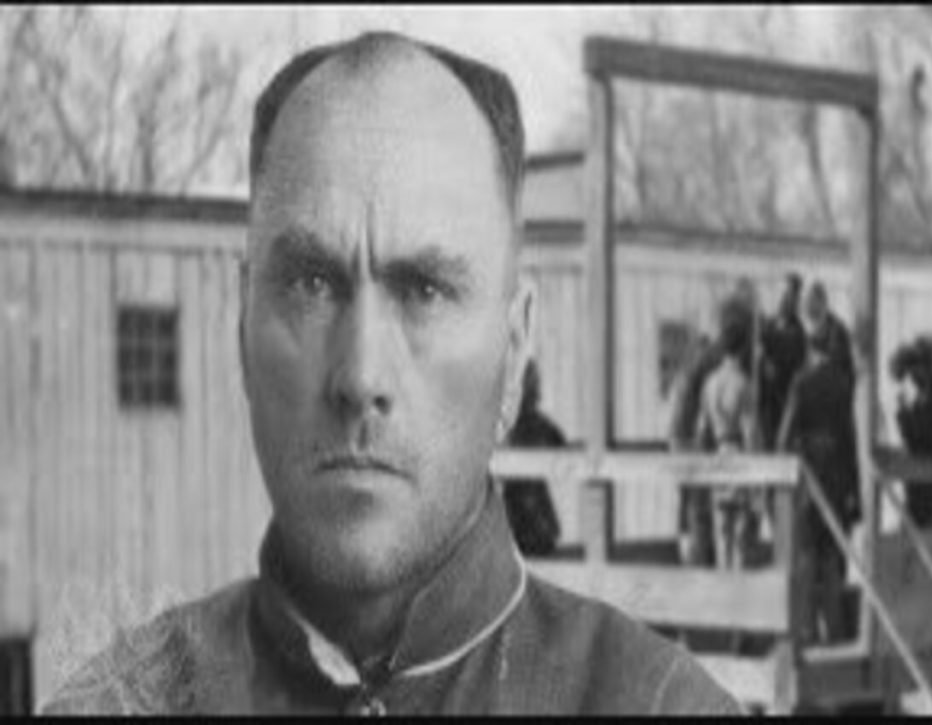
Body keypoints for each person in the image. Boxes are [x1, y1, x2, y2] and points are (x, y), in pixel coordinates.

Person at [41, 33, 740, 715]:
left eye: (425, 289)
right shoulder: (118, 703)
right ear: (241, 328)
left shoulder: (658, 703)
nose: (361, 374)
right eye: (312, 283)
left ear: (517, 346)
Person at [777, 326, 860, 645]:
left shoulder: (802, 383)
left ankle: (807, 633)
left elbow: (784, 439)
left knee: (807, 560)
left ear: (811, 349)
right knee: (832, 562)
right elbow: (851, 441)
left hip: (809, 484)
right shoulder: (844, 384)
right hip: (838, 483)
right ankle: (836, 632)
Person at [696, 296, 760, 571]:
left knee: (721, 530)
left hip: (717, 455)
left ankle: (722, 589)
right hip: (738, 453)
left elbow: (701, 429)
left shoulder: (710, 383)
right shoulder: (743, 383)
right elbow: (751, 432)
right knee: (740, 532)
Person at [891, 339, 932, 529]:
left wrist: (903, 414)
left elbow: (919, 434)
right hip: (929, 481)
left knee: (918, 535)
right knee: (926, 533)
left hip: (928, 481)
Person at [502, 360, 563, 557]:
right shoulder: (531, 422)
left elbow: (559, 444)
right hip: (527, 518)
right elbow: (560, 444)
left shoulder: (512, 423)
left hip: (523, 519)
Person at [667, 332, 718, 567]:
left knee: (690, 505)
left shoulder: (685, 379)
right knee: (695, 506)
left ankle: (693, 554)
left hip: (682, 446)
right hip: (687, 447)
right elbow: (685, 424)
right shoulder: (691, 381)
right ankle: (694, 556)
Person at [760, 273, 806, 458]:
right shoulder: (768, 326)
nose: (785, 300)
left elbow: (796, 365)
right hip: (765, 399)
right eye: (783, 295)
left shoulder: (798, 332)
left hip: (783, 399)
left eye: (790, 296)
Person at [802, 281, 854, 385]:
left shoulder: (836, 330)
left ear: (822, 302)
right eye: (806, 302)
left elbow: (835, 365)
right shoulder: (814, 331)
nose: (806, 306)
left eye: (811, 301)